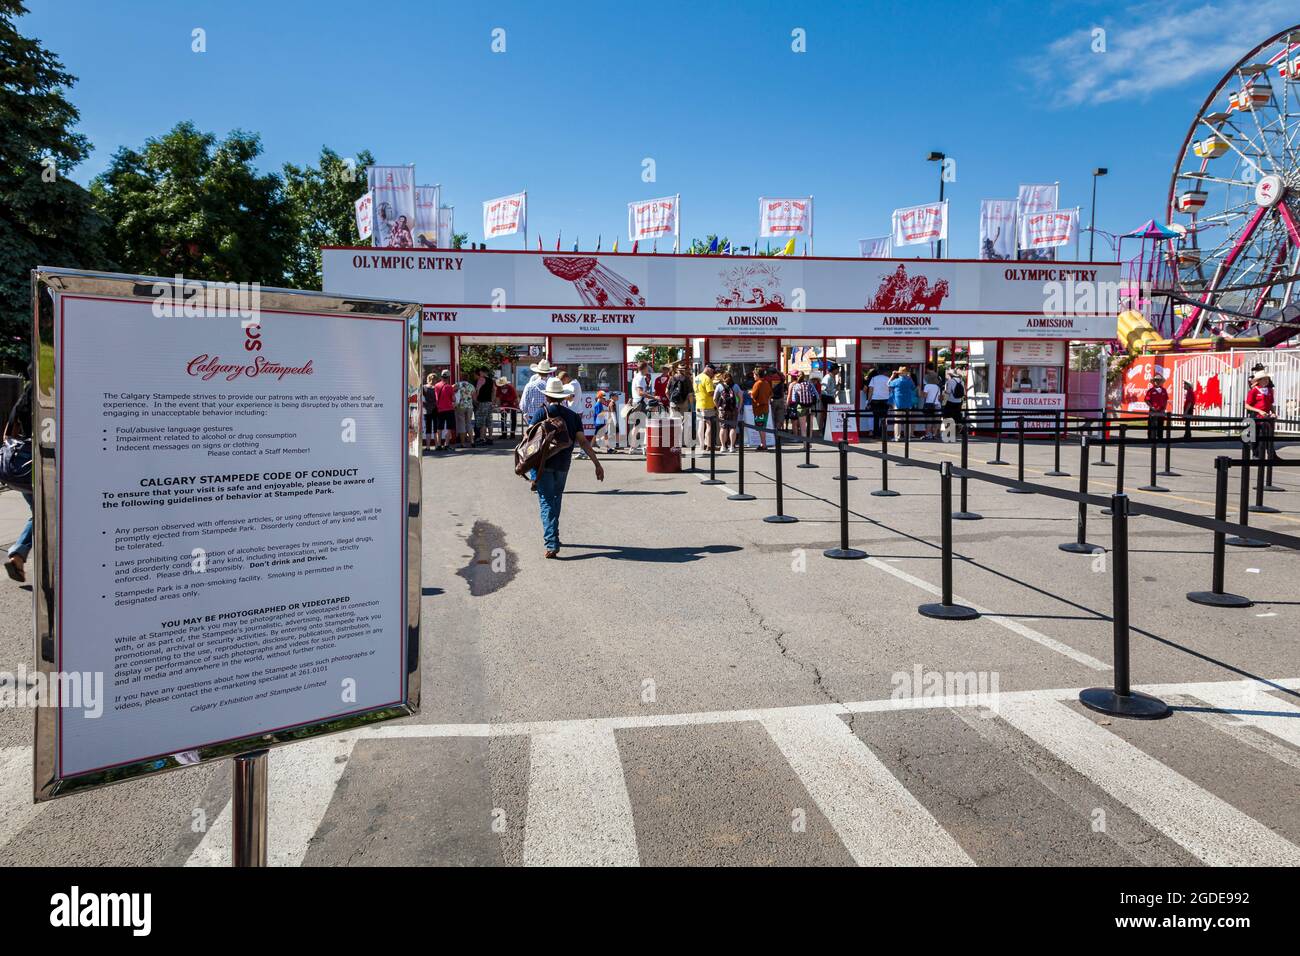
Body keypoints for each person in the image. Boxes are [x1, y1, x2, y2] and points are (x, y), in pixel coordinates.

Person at [527, 377, 603, 558]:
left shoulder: (541, 413)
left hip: (543, 463)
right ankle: (554, 535)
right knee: (556, 498)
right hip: (563, 464)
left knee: (546, 501)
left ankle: (552, 543)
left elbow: (529, 438)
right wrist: (597, 464)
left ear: (548, 396)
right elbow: (583, 442)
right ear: (563, 397)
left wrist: (529, 468)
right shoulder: (573, 416)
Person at [4, 380, 33, 583]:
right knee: (51, 515)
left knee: (40, 514)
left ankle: (19, 555)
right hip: (41, 466)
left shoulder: (23, 400)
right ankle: (18, 554)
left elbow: (7, 434)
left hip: (22, 468)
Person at [1245, 369, 1275, 460]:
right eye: (1264, 379)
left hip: (1266, 417)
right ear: (1259, 380)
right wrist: (1259, 411)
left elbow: (1270, 404)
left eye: (1267, 379)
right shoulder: (1253, 391)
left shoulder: (1269, 390)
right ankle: (1256, 454)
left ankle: (1271, 454)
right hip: (1256, 416)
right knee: (1255, 436)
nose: (1266, 381)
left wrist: (1273, 412)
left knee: (1268, 436)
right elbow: (1247, 405)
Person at [429, 370, 457, 451]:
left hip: (439, 409)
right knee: (449, 428)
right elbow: (453, 399)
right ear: (448, 377)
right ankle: (446, 445)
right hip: (449, 410)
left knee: (439, 428)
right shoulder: (449, 387)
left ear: (441, 377)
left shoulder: (436, 386)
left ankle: (438, 445)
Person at [888, 366, 918, 441]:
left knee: (897, 420)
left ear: (899, 373)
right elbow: (914, 387)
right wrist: (910, 378)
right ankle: (907, 437)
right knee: (907, 421)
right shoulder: (909, 381)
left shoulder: (897, 381)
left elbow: (888, 384)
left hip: (898, 403)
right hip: (908, 403)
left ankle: (897, 437)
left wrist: (892, 376)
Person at [714, 371, 741, 452]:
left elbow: (714, 398)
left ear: (723, 378)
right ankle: (732, 447)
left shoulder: (719, 386)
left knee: (723, 428)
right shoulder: (735, 386)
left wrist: (718, 407)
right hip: (733, 410)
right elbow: (741, 398)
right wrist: (738, 408)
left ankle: (723, 447)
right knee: (733, 428)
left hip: (723, 410)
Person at [695, 364, 718, 451]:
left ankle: (701, 445)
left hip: (699, 405)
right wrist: (716, 390)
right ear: (708, 369)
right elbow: (710, 393)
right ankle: (709, 445)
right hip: (707, 405)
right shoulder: (707, 379)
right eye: (712, 372)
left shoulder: (697, 378)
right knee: (709, 425)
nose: (713, 374)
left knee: (701, 425)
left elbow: (697, 389)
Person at [866, 366, 891, 439]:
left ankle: (875, 434)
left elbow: (870, 390)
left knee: (876, 418)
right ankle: (882, 433)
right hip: (885, 400)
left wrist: (869, 400)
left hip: (875, 400)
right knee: (884, 418)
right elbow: (890, 390)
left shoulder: (873, 379)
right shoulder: (888, 379)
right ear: (885, 372)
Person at [750, 367, 772, 450]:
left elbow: (753, 395)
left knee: (761, 427)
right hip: (765, 408)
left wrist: (750, 393)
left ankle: (764, 444)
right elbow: (770, 394)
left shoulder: (757, 384)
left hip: (759, 409)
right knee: (763, 427)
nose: (753, 376)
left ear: (758, 375)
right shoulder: (766, 383)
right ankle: (763, 443)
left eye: (754, 375)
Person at [454, 372, 476, 450]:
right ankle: (472, 441)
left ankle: (463, 443)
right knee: (469, 423)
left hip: (460, 406)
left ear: (461, 377)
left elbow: (452, 392)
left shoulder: (457, 385)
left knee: (462, 424)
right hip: (469, 406)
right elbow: (474, 398)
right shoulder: (471, 386)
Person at [1144, 373, 1168, 443]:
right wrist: (1152, 407)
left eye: (1159, 380)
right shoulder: (1151, 390)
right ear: (1153, 381)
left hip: (1161, 410)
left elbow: (1166, 400)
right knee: (1151, 424)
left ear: (1161, 382)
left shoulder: (1164, 390)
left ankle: (1160, 437)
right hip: (1153, 410)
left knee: (1161, 424)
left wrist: (1164, 408)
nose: (1157, 382)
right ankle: (1150, 438)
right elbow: (1146, 400)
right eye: (1156, 380)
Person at [473, 369, 495, 445]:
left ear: (482, 372)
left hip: (482, 402)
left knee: (482, 421)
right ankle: (490, 438)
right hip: (489, 402)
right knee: (489, 421)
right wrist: (492, 400)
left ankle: (482, 438)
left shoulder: (481, 379)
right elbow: (494, 390)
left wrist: (476, 400)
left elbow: (477, 390)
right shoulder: (491, 380)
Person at [941, 367, 966, 435]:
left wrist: (944, 391)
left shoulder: (950, 381)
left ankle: (949, 431)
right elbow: (964, 392)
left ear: (951, 375)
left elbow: (948, 392)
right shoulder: (962, 381)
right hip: (959, 402)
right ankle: (959, 428)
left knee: (947, 415)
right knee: (957, 416)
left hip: (951, 401)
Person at [421, 373, 439, 450]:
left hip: (427, 410)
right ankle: (437, 445)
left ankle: (428, 447)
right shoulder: (437, 387)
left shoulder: (424, 387)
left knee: (428, 428)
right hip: (436, 409)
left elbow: (421, 398)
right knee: (436, 428)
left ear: (428, 379)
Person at [921, 374, 942, 440]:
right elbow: (939, 397)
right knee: (936, 420)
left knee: (928, 421)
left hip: (929, 405)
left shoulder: (927, 386)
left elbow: (924, 396)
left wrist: (920, 392)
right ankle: (934, 434)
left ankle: (928, 435)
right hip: (937, 405)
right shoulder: (937, 387)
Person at [768, 368, 787, 433]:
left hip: (773, 400)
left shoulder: (770, 378)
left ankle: (773, 431)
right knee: (780, 416)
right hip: (781, 399)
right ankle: (778, 431)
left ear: (770, 373)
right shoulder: (781, 377)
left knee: (772, 416)